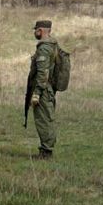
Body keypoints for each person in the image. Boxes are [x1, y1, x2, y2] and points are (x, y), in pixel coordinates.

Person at [28, 19, 61, 157]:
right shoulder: (53, 45)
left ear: (40, 31)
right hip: (49, 89)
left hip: (43, 90)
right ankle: (46, 149)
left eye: (36, 30)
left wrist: (37, 93)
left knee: (44, 120)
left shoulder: (44, 48)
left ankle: (46, 151)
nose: (35, 32)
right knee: (48, 118)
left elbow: (43, 73)